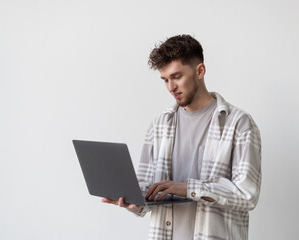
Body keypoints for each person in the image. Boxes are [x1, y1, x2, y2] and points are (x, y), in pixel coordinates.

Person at [102, 34, 262, 240]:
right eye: (165, 80)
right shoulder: (159, 125)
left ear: (200, 71)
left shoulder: (239, 124)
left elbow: (247, 195)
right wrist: (135, 204)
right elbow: (147, 192)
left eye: (177, 77)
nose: (171, 87)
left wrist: (188, 189)